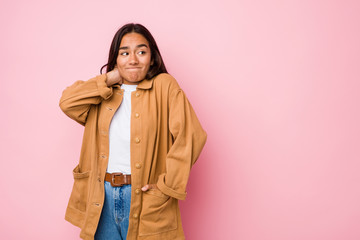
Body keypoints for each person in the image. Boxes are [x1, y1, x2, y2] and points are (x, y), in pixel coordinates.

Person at [59, 23, 207, 240]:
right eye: (125, 53)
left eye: (141, 52)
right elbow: (67, 103)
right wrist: (110, 78)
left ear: (152, 57)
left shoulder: (164, 86)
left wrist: (166, 187)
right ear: (116, 59)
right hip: (102, 197)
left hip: (145, 197)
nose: (133, 59)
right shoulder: (103, 93)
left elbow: (191, 136)